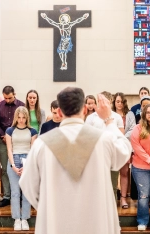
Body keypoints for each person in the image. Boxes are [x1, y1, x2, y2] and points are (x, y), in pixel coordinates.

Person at [19, 87, 132, 234]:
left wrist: (50, 206)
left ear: (59, 112)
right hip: (95, 223)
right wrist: (109, 120)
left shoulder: (42, 143)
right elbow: (124, 151)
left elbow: (27, 184)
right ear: (85, 110)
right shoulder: (102, 139)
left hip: (57, 224)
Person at [85, 91, 124, 200]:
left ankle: (112, 216)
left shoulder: (117, 117)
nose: (102, 104)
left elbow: (120, 136)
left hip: (112, 157)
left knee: (112, 188)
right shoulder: (91, 118)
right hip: (95, 157)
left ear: (110, 102)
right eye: (100, 101)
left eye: (105, 102)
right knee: (95, 188)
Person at [6, 107, 37, 230]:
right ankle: (16, 219)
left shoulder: (32, 131)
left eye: (24, 118)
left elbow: (33, 150)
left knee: (26, 192)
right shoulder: (10, 130)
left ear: (27, 118)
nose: (21, 120)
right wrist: (13, 165)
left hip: (27, 159)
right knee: (15, 192)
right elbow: (9, 148)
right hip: (13, 159)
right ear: (16, 117)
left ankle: (25, 218)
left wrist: (26, 166)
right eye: (19, 117)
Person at [0, 86, 24, 207]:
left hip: (18, 142)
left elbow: (24, 123)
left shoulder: (22, 105)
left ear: (15, 94)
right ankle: (7, 196)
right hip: (3, 141)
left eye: (10, 98)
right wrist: (3, 136)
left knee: (20, 169)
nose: (7, 100)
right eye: (5, 98)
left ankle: (20, 196)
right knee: (5, 169)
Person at [112, 92, 136, 208]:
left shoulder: (129, 114)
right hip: (112, 146)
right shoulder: (110, 114)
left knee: (125, 172)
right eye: (117, 101)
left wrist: (122, 137)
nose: (119, 104)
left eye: (121, 101)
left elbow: (132, 129)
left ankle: (123, 198)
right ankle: (112, 196)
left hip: (125, 146)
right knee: (112, 172)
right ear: (114, 102)